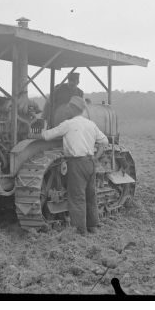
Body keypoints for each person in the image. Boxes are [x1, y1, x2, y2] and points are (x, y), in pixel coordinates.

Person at [39, 95, 108, 235]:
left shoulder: (68, 124)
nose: (67, 110)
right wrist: (96, 157)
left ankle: (81, 231)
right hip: (90, 162)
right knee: (90, 195)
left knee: (77, 197)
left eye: (68, 108)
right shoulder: (91, 124)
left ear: (72, 109)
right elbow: (104, 142)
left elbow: (46, 136)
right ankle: (93, 226)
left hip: (76, 163)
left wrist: (39, 128)